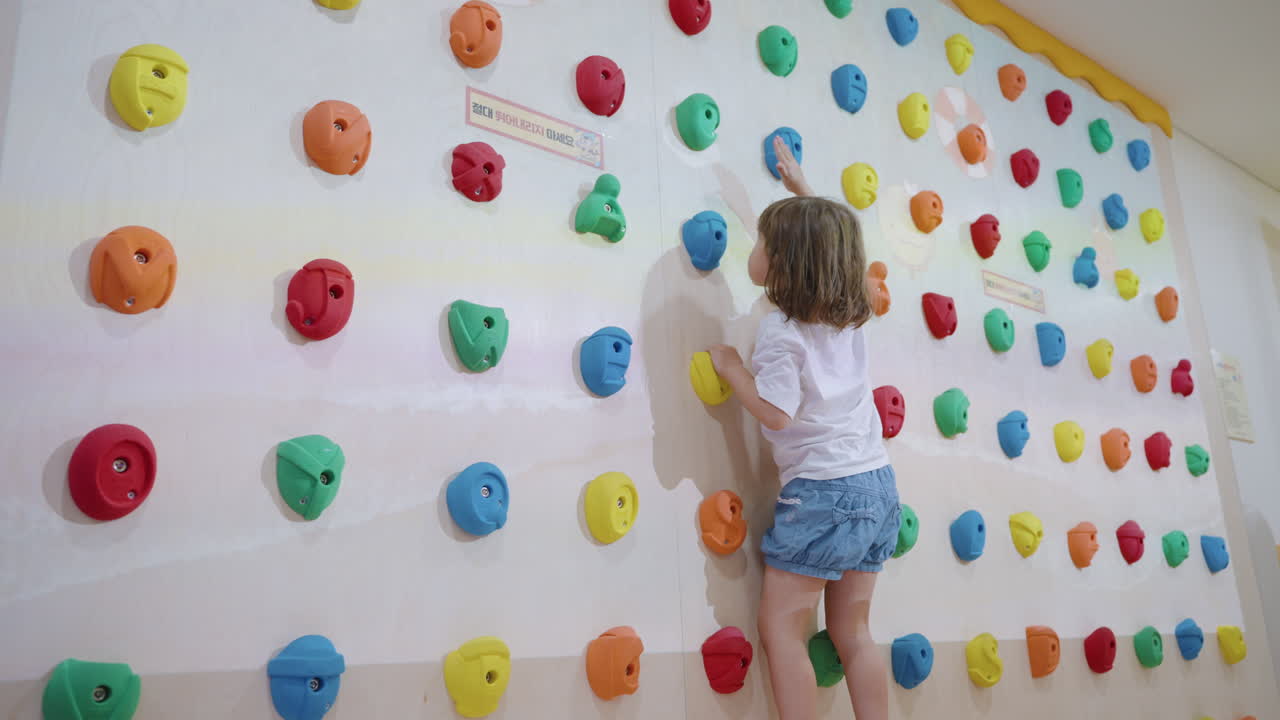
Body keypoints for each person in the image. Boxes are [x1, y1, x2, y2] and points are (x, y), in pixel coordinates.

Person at [707, 136, 897, 720]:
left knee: (781, 629)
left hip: (823, 493)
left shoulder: (782, 331)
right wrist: (804, 191)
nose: (755, 249)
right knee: (855, 634)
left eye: (762, 241)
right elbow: (835, 249)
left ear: (783, 262)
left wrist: (733, 370)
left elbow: (777, 412)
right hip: (878, 487)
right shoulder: (849, 316)